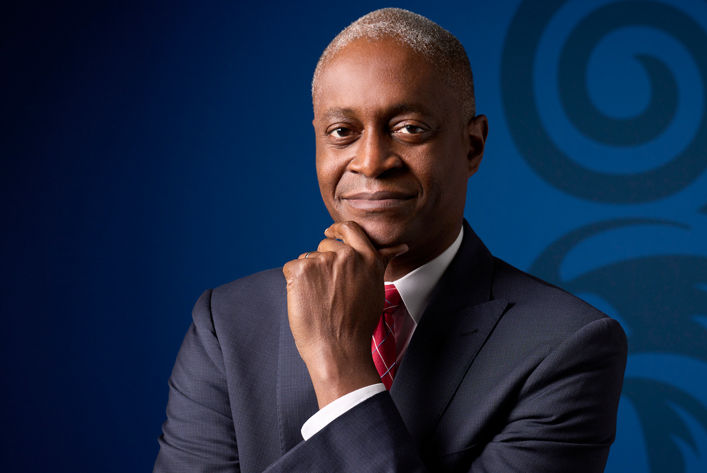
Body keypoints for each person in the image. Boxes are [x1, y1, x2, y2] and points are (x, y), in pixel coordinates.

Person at [154, 8, 627, 473]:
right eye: (343, 132)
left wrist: (338, 362)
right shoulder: (227, 325)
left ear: (472, 146)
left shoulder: (566, 345)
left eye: (409, 129)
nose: (372, 161)